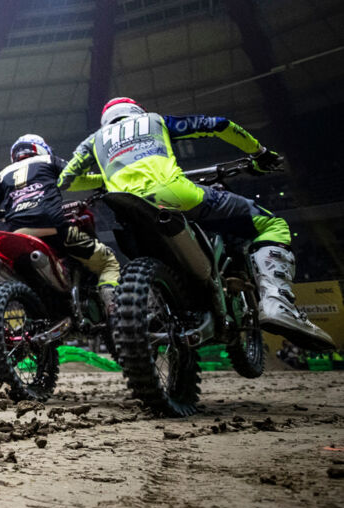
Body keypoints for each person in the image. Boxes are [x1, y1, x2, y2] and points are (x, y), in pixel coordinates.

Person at [59, 97, 333, 349]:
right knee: (271, 225)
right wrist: (259, 152)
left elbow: (66, 181)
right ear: (136, 111)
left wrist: (108, 177)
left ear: (106, 120)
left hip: (126, 207)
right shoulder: (154, 120)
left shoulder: (93, 141)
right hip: (176, 195)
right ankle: (277, 302)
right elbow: (218, 125)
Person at [0, 134, 120, 312]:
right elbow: (74, 177)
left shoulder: (3, 174)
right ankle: (115, 311)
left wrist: (8, 213)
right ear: (40, 148)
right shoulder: (49, 160)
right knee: (108, 261)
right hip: (54, 228)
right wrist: (105, 181)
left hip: (16, 234)